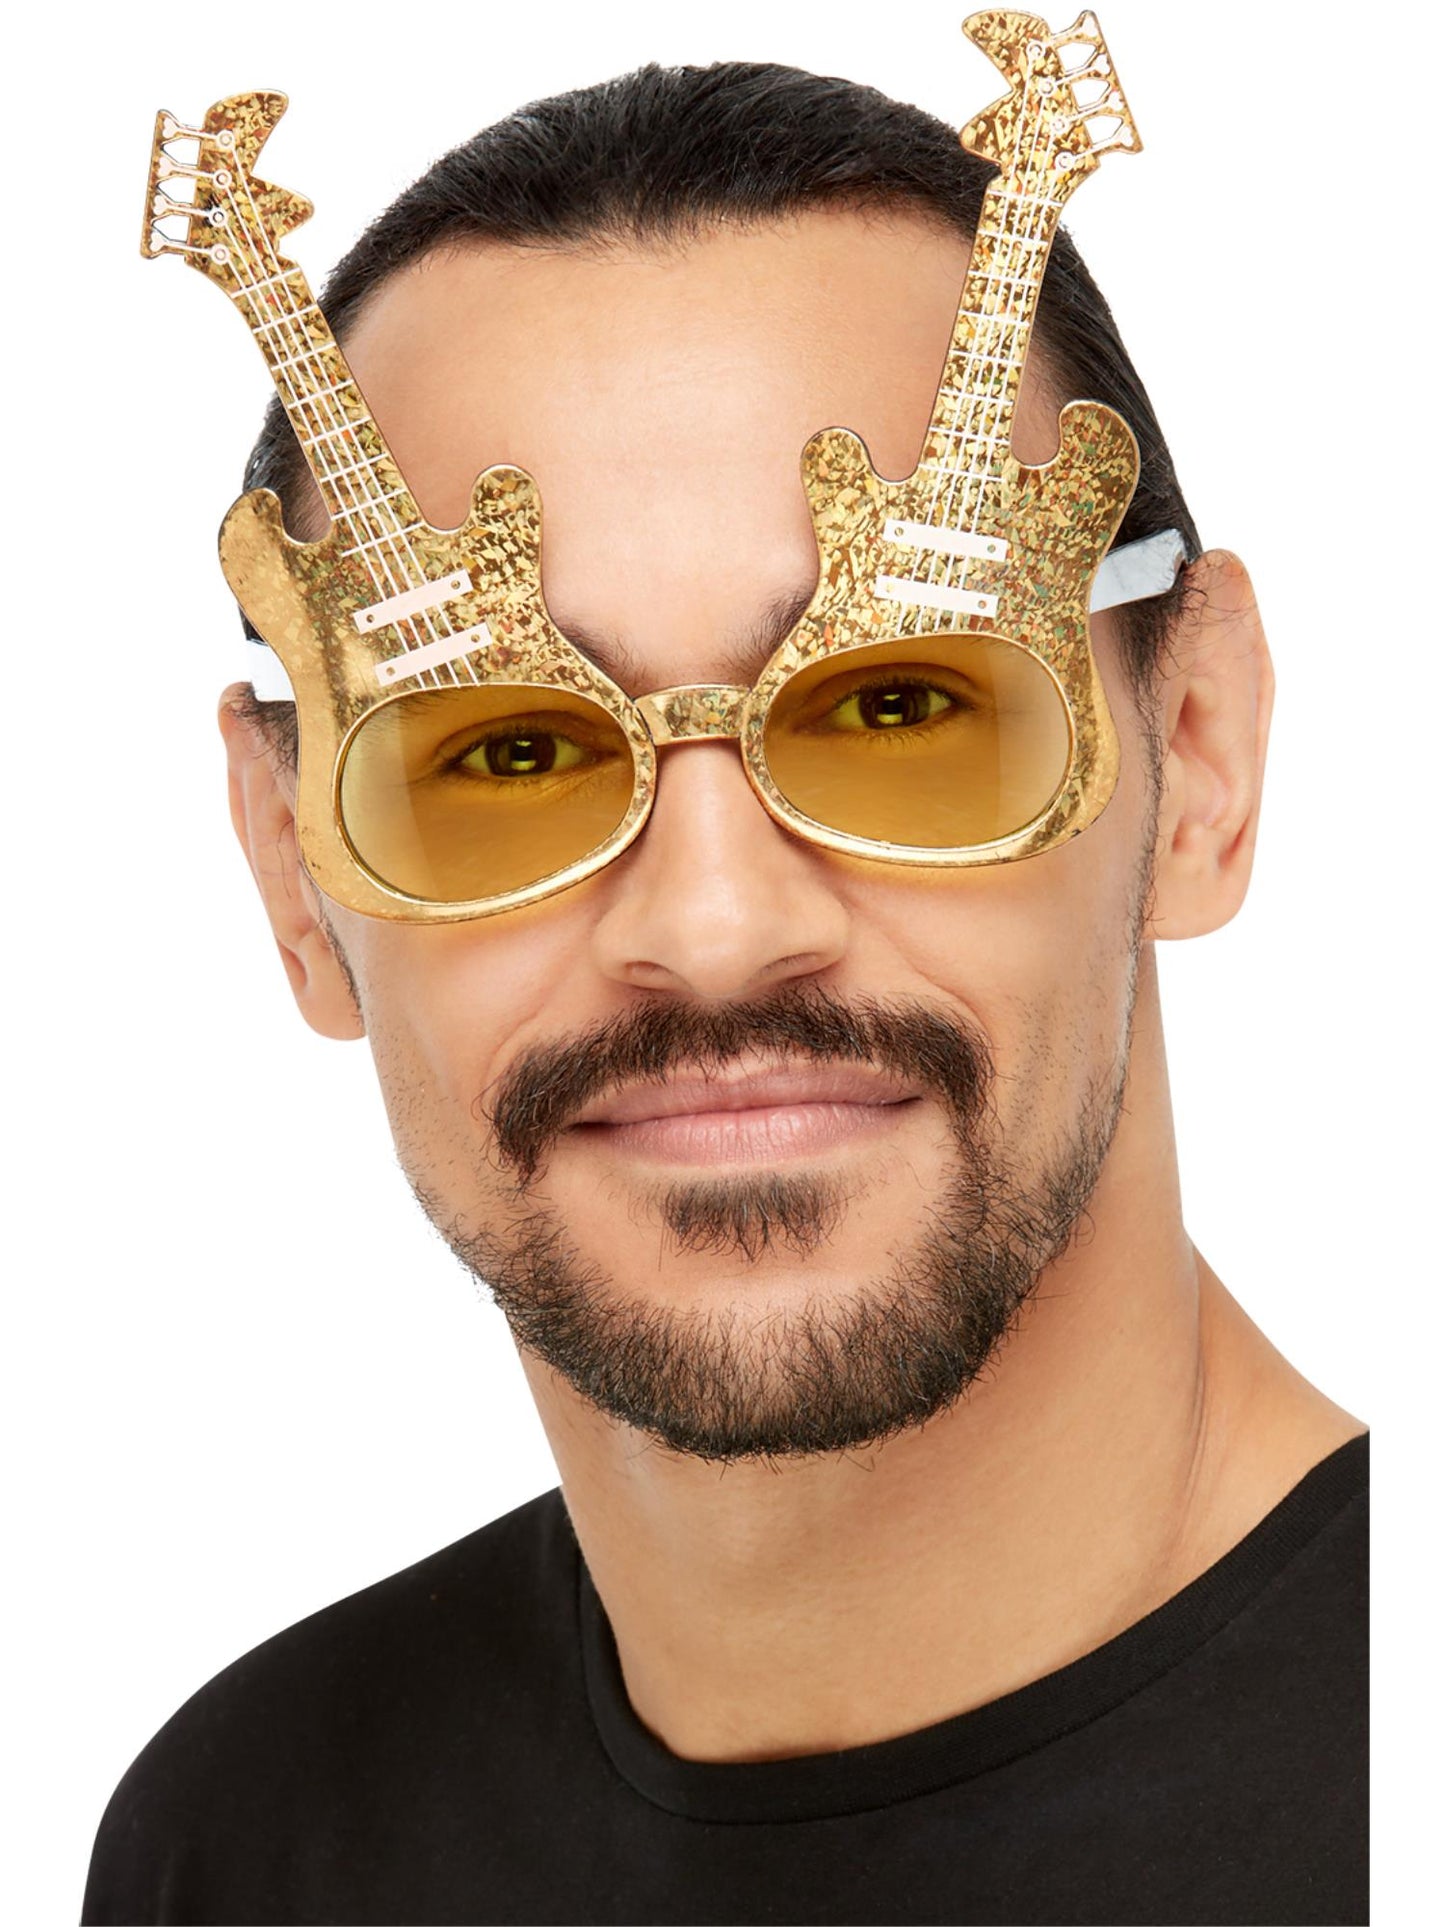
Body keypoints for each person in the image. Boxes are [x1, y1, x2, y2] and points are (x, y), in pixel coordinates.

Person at [83, 52, 1367, 1927]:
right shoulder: (245, 1842)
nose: (710, 925)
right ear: (293, 877)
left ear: (1199, 760)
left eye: (900, 704)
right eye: (505, 751)